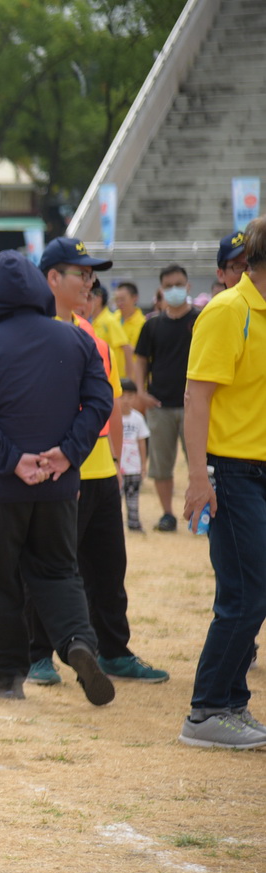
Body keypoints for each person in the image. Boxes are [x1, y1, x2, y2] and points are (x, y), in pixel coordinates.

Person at [0, 250, 115, 704]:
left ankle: (5, 676)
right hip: (59, 484)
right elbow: (100, 402)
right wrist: (67, 453)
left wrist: (11, 459)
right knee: (60, 571)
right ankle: (79, 642)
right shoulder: (76, 341)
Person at [25, 239, 168, 689]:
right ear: (52, 279)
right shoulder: (32, 334)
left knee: (108, 569)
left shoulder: (96, 340)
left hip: (102, 470)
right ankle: (37, 655)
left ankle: (114, 650)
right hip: (60, 474)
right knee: (51, 566)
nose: (91, 283)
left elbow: (111, 406)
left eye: (92, 275)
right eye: (81, 274)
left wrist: (124, 463)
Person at [175, 218, 266, 748]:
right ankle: (207, 709)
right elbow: (197, 399)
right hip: (231, 472)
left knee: (251, 593)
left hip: (256, 470)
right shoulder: (228, 311)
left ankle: (230, 703)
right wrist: (197, 478)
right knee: (245, 594)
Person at [132, 263, 199, 532]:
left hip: (195, 405)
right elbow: (140, 359)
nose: (174, 290)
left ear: (188, 286)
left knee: (199, 464)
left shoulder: (200, 319)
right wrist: (140, 391)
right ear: (161, 289)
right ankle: (167, 514)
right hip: (159, 405)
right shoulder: (152, 325)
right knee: (161, 465)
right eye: (168, 286)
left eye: (178, 284)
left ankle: (200, 514)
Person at [118, 378, 149, 531]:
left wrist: (143, 465)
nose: (126, 400)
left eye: (130, 396)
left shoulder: (138, 418)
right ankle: (115, 526)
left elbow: (142, 442)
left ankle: (134, 523)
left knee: (133, 498)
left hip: (134, 468)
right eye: (122, 395)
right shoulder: (113, 418)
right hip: (118, 468)